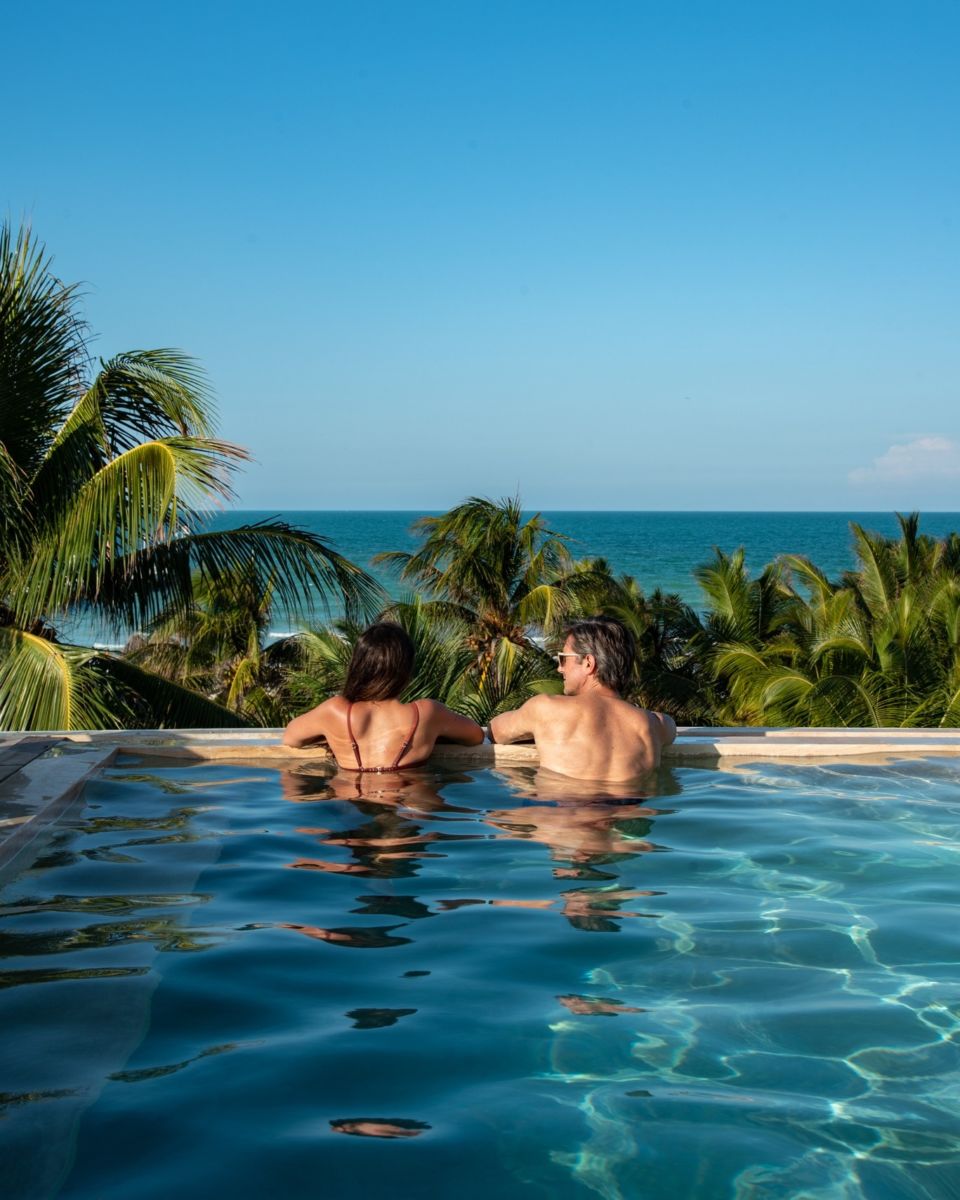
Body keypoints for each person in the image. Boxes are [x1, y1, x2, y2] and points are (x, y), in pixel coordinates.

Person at [488, 615, 677, 781]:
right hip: (628, 814)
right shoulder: (652, 724)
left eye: (563, 659)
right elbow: (670, 728)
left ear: (588, 663)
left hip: (565, 814)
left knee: (494, 815)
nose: (559, 668)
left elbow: (494, 731)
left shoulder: (546, 709)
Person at [283, 622, 485, 770]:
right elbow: (476, 736)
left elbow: (291, 737)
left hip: (350, 811)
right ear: (405, 670)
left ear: (359, 666)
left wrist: (328, 734)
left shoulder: (335, 711)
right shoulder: (425, 713)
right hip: (411, 812)